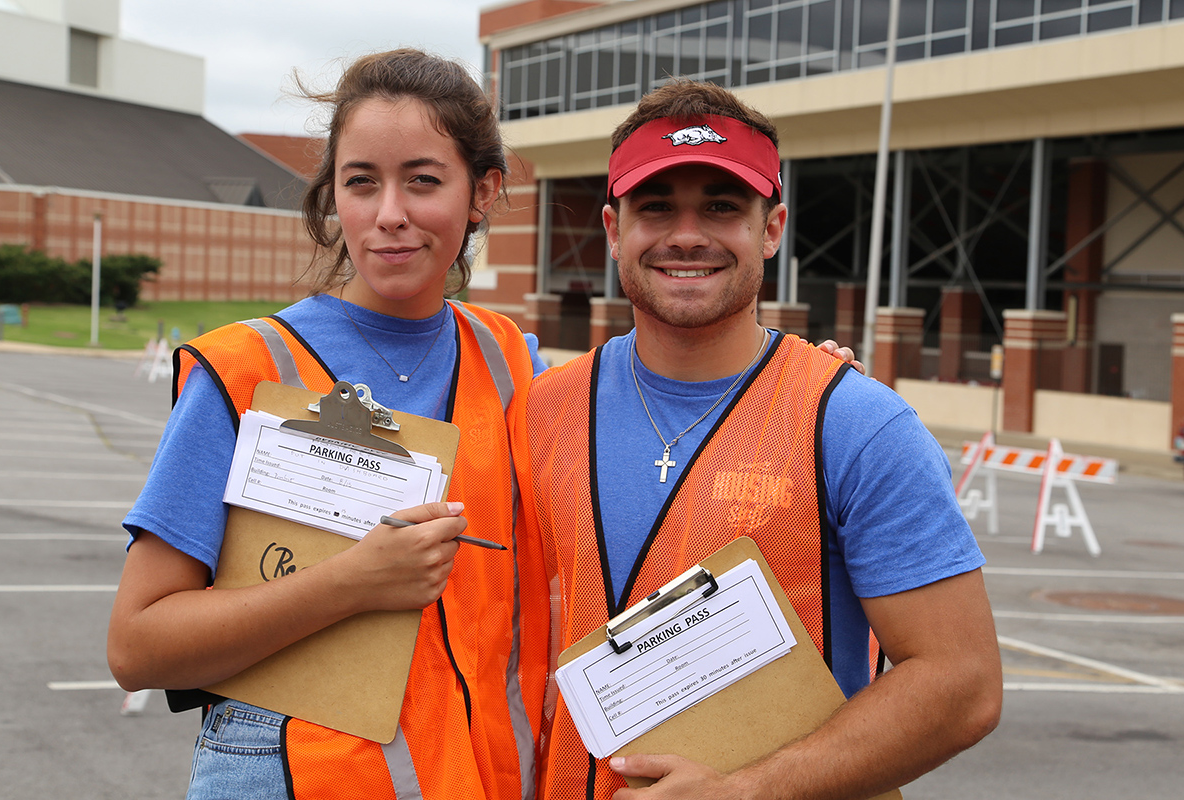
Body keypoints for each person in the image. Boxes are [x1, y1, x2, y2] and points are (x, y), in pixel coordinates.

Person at [520, 80, 1003, 800]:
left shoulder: (856, 424)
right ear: (614, 230)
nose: (688, 234)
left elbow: (963, 684)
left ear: (772, 227)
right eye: (656, 207)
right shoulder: (541, 408)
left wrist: (743, 791)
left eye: (721, 206)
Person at [107, 49, 550, 800]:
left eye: (423, 180)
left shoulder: (515, 364)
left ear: (484, 191)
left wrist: (813, 388)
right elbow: (136, 645)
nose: (389, 215)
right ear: (332, 195)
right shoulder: (249, 369)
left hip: (478, 778)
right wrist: (350, 582)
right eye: (361, 182)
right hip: (285, 779)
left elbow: (664, 449)